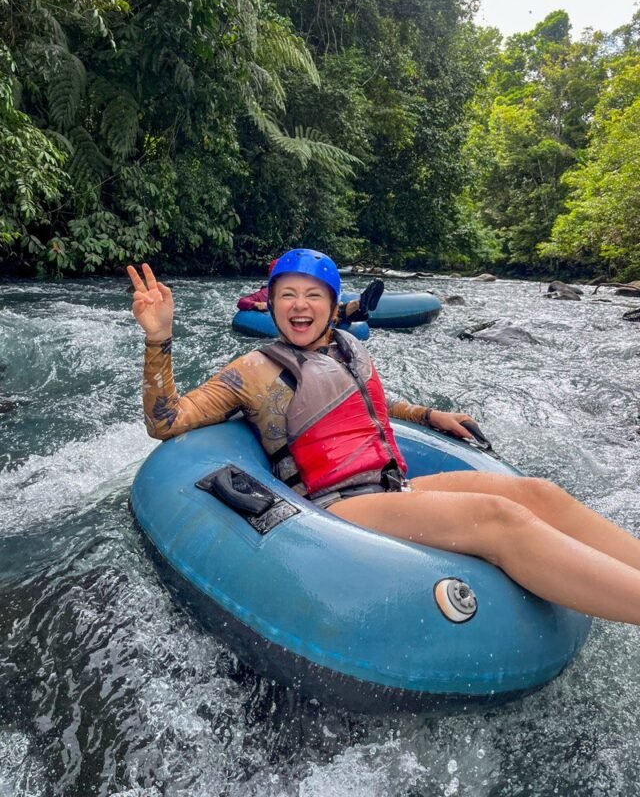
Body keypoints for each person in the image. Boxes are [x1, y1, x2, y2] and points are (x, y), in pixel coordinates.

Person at [128, 250, 640, 625]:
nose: (299, 306)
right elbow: (168, 420)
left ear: (333, 306)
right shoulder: (254, 370)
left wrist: (427, 413)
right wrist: (158, 336)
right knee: (500, 519)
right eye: (287, 295)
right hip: (337, 507)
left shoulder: (346, 347)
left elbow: (370, 406)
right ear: (271, 304)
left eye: (313, 296)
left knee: (538, 493)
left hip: (392, 487)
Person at [237, 258, 384, 324]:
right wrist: (256, 305)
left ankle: (361, 304)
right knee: (334, 311)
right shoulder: (263, 293)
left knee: (336, 308)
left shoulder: (299, 288)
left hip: (315, 317)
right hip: (290, 318)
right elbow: (242, 302)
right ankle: (358, 308)